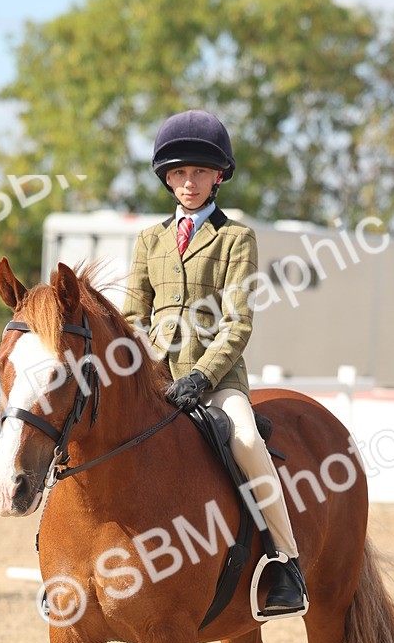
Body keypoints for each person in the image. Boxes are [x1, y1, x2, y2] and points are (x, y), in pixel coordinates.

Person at [122, 109, 307, 615]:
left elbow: (238, 321)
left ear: (217, 177)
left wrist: (203, 374)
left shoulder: (235, 238)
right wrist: (137, 367)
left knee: (247, 441)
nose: (189, 182)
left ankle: (285, 562)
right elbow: (133, 315)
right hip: (156, 380)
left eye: (199, 173)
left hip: (217, 378)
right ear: (167, 178)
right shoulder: (149, 240)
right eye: (179, 173)